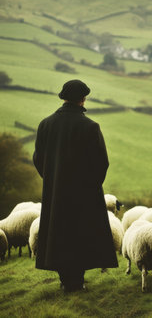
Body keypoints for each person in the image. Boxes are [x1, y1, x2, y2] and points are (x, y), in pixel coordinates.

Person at [33, 79, 118, 292]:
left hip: (56, 192)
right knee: (79, 234)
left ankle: (65, 280)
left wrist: (52, 179)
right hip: (83, 194)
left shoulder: (46, 124)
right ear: (83, 99)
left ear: (63, 98)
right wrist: (91, 186)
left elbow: (38, 158)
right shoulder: (90, 126)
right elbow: (101, 162)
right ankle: (76, 282)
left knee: (59, 234)